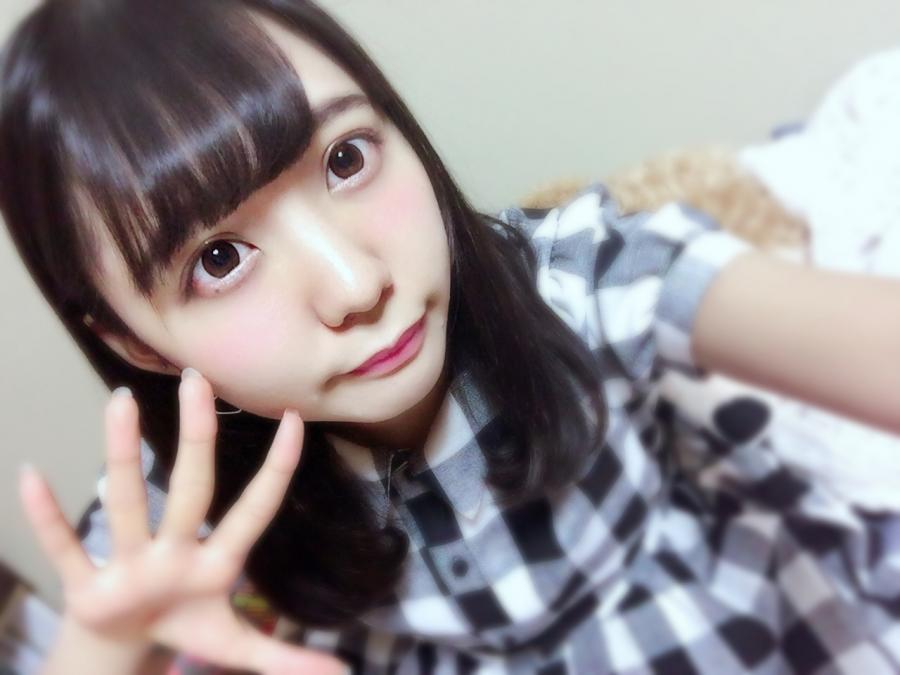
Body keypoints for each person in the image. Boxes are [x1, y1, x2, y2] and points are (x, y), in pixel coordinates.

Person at [2, 1, 898, 673]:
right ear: (140, 344)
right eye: (220, 259)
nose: (356, 285)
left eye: (346, 158)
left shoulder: (580, 278)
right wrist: (105, 647)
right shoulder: (179, 500)